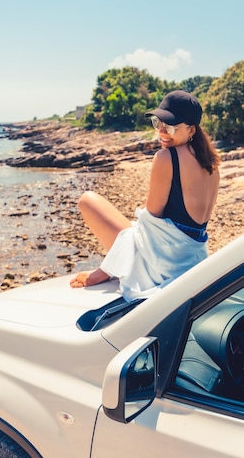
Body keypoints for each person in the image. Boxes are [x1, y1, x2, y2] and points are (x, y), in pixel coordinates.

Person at [70, 90, 220, 301]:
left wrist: (104, 270)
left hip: (163, 263)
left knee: (88, 200)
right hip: (193, 259)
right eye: (158, 123)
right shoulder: (212, 164)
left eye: (170, 127)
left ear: (191, 129)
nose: (161, 131)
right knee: (131, 226)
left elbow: (151, 221)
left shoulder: (167, 157)